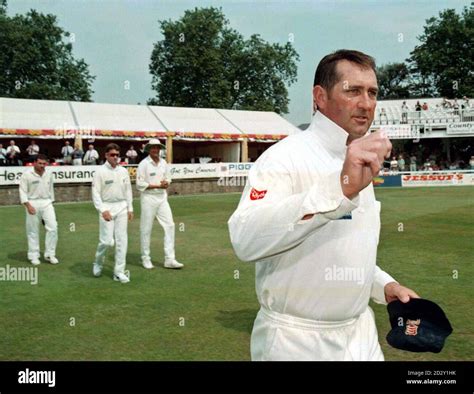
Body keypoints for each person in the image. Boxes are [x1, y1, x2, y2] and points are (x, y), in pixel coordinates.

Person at [228, 49, 419, 361]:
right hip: (296, 342)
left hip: (361, 334)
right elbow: (244, 239)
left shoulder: (361, 156)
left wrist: (384, 285)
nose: (366, 103)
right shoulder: (283, 157)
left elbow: (345, 249)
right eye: (353, 91)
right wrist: (337, 189)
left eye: (372, 92)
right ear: (320, 96)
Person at [136, 139, 183, 269]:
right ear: (148, 149)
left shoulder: (163, 162)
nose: (155, 150)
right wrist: (157, 185)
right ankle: (145, 258)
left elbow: (168, 177)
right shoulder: (143, 164)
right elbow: (139, 184)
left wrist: (167, 183)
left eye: (157, 148)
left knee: (170, 225)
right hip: (148, 198)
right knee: (146, 228)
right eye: (152, 148)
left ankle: (170, 259)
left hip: (162, 198)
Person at [91, 143, 133, 283]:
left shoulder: (123, 171)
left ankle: (119, 272)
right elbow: (95, 193)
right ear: (106, 155)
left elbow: (128, 191)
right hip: (107, 207)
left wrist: (130, 208)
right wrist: (102, 210)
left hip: (121, 206)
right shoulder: (100, 172)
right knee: (106, 241)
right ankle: (98, 262)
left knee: (122, 240)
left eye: (117, 155)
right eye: (112, 155)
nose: (115, 157)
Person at [19, 154, 59, 265]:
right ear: (35, 163)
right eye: (40, 163)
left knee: (53, 228)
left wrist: (52, 202)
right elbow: (22, 191)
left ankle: (50, 254)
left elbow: (51, 189)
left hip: (47, 203)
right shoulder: (27, 175)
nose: (42, 166)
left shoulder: (49, 174)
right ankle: (33, 255)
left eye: (44, 163)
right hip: (32, 202)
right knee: (32, 230)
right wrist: (28, 206)